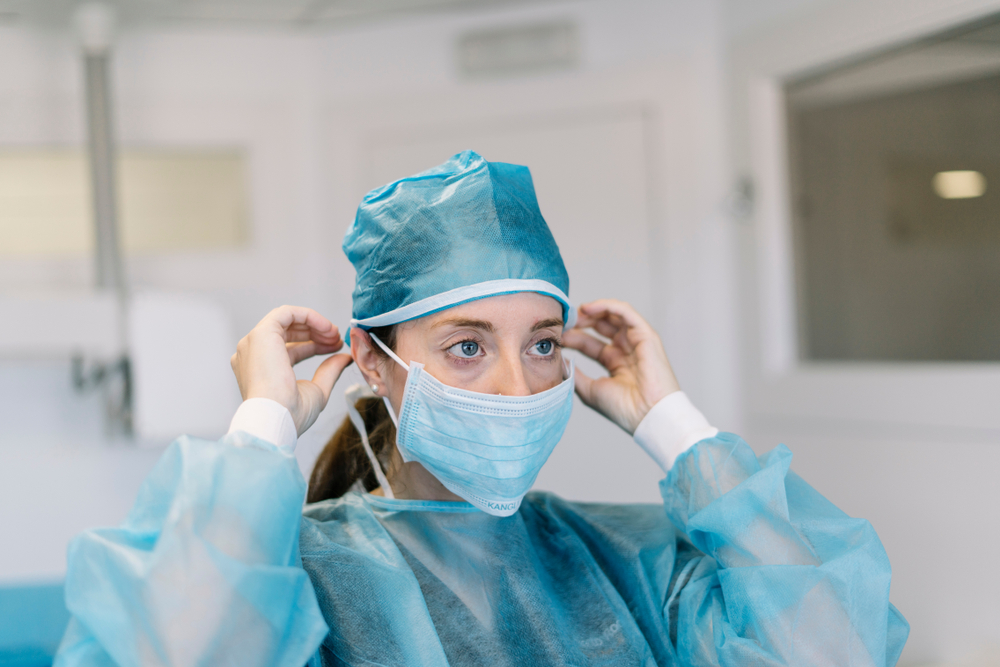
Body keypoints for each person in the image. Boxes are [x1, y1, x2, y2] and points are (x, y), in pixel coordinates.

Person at [55, 151, 909, 667]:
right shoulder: (294, 573)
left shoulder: (627, 558)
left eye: (542, 343)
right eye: (467, 346)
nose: (516, 385)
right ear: (373, 363)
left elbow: (828, 649)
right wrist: (263, 424)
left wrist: (676, 425)